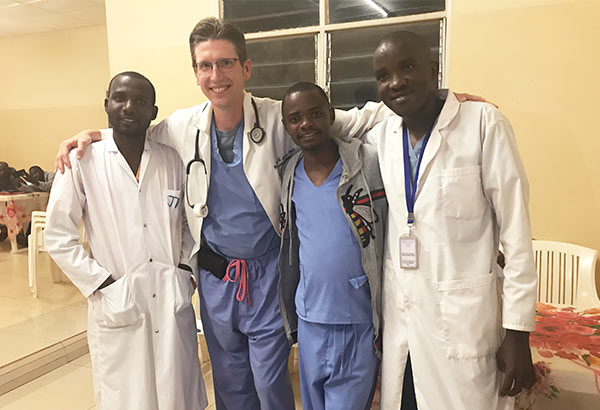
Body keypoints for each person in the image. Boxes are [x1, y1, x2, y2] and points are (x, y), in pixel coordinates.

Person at [54, 17, 396, 410]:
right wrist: (92, 135)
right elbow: (133, 129)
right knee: (230, 383)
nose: (216, 75)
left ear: (246, 68)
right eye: (205, 65)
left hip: (266, 275)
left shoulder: (279, 117)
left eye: (226, 63)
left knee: (270, 382)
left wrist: (439, 100)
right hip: (216, 276)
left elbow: (359, 119)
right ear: (196, 73)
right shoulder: (183, 126)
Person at [365, 31, 537, 409]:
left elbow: (517, 236)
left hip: (464, 323)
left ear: (433, 68)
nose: (395, 81)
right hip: (405, 322)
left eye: (407, 67)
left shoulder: (483, 124)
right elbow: (326, 121)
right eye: (384, 75)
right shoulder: (383, 133)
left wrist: (519, 332)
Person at [44, 72, 207, 410]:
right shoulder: (81, 161)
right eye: (120, 98)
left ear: (153, 111)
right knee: (127, 397)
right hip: (116, 297)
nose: (128, 106)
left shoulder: (171, 158)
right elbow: (58, 235)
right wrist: (102, 283)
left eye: (140, 101)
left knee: (176, 393)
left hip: (168, 297)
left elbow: (191, 224)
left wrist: (184, 270)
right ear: (106, 103)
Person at [277, 82, 387, 410]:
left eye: (314, 114)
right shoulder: (288, 174)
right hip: (310, 317)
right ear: (286, 127)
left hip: (355, 316)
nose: (306, 124)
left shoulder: (365, 164)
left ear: (330, 115)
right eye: (295, 118)